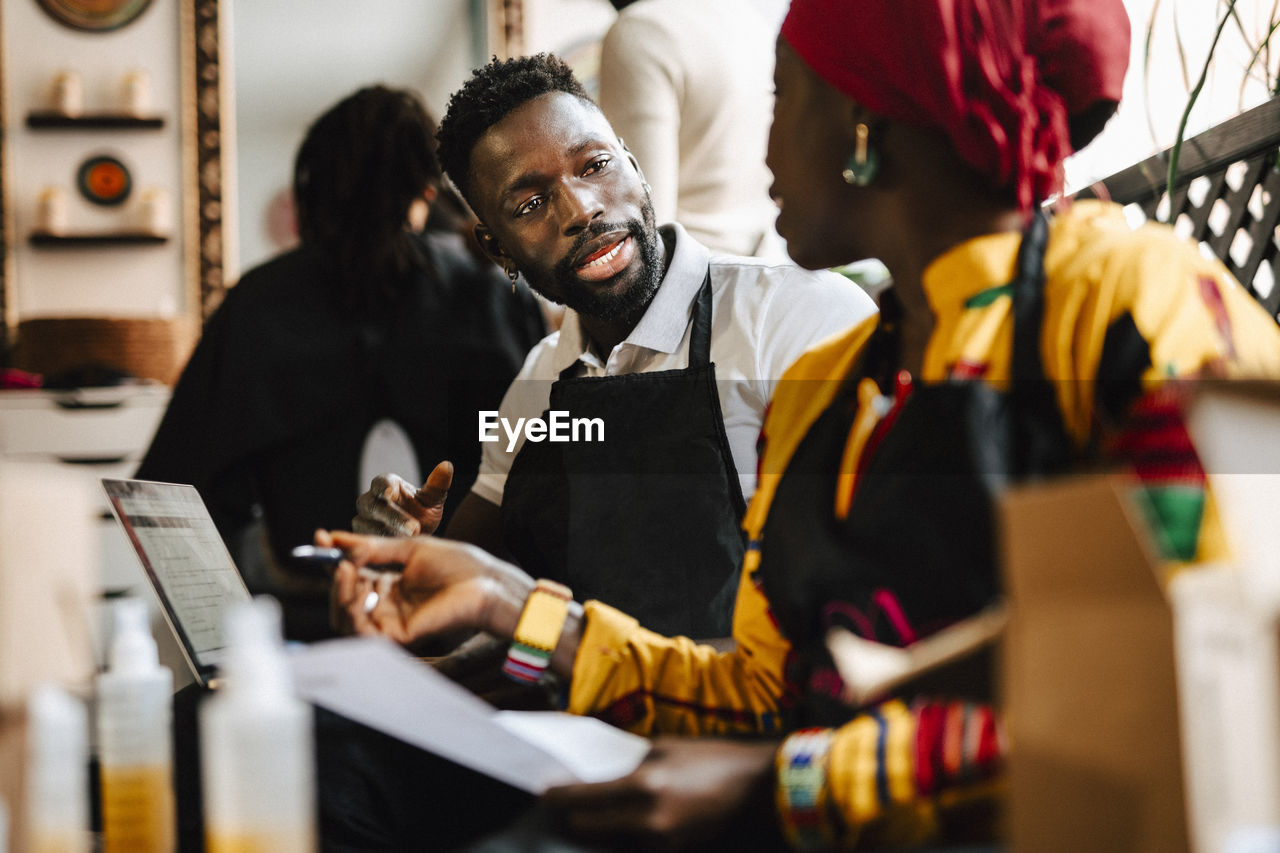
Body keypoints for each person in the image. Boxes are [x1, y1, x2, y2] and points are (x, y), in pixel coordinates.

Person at [329, 0, 1280, 849]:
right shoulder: (836, 384)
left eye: (782, 103)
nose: (766, 154)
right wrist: (508, 607)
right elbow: (768, 687)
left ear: (867, 124)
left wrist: (782, 788)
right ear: (496, 244)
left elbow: (1198, 685)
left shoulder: (1126, 306)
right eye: (531, 200)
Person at [353, 54, 875, 640]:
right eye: (530, 204)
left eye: (595, 165)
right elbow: (462, 594)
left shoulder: (798, 318)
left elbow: (872, 584)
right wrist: (405, 552)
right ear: (497, 249)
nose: (581, 209)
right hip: (588, 719)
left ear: (634, 162)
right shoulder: (534, 385)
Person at [135, 85, 547, 641]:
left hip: (302, 627)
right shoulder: (494, 295)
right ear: (425, 183)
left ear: (315, 184)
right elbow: (547, 470)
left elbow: (173, 491)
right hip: (473, 622)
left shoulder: (257, 304)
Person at [597, 0, 788, 258]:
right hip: (763, 272)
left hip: (689, 283)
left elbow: (646, 229)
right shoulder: (747, 19)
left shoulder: (641, 31)